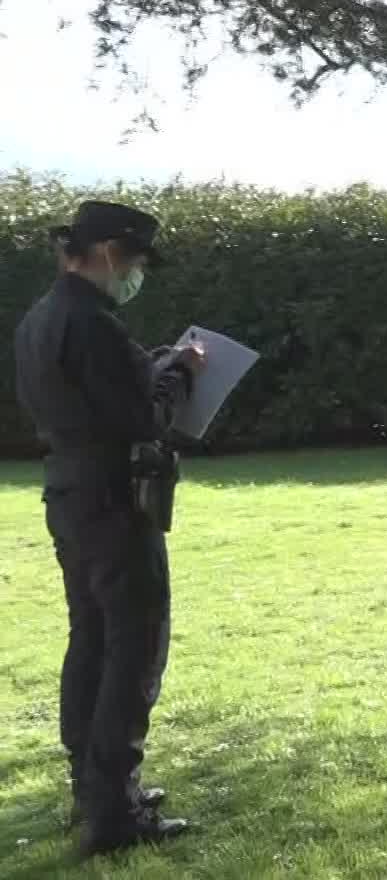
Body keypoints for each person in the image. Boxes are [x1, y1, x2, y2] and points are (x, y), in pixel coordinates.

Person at [13, 200, 205, 857]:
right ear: (109, 254)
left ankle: (92, 788)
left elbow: (95, 400)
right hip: (115, 501)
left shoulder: (41, 318)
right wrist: (179, 373)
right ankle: (115, 811)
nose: (136, 275)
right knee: (133, 647)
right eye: (137, 262)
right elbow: (142, 418)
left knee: (91, 639)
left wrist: (150, 367)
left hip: (69, 493)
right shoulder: (93, 323)